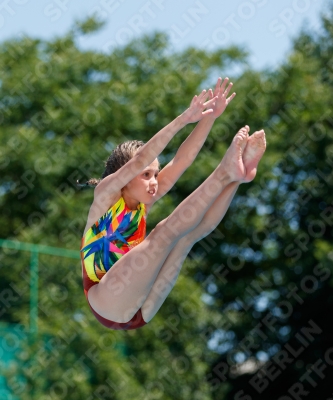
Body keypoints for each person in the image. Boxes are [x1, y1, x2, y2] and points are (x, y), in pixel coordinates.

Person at [80, 77, 266, 330]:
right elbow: (139, 160)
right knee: (163, 234)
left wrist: (209, 116)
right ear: (123, 177)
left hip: (141, 309)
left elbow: (181, 161)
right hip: (107, 301)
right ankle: (225, 173)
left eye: (155, 174)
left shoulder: (145, 201)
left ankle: (236, 178)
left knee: (187, 236)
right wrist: (184, 119)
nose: (154, 181)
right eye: (146, 175)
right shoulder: (106, 195)